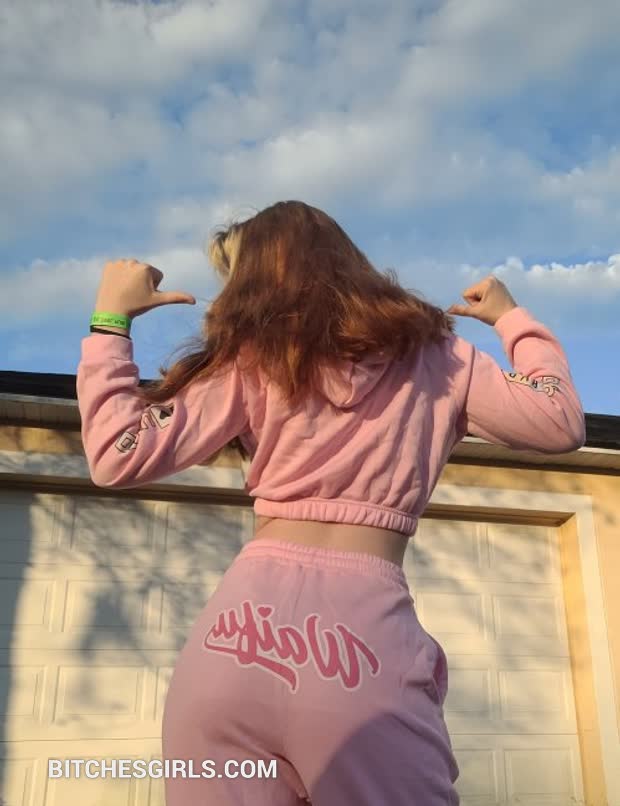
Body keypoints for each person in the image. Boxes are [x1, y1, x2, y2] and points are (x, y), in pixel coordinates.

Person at [76, 200, 586, 805]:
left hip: (232, 648)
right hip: (359, 653)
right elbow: (558, 420)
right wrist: (512, 319)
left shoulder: (249, 358)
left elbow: (117, 454)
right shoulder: (443, 358)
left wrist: (110, 322)